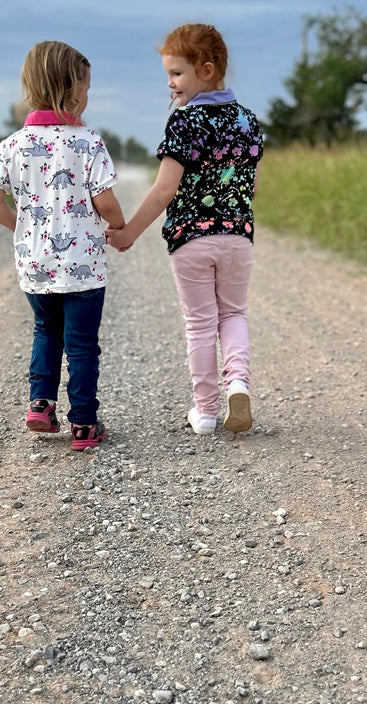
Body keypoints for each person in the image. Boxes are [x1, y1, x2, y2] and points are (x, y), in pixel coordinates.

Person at [106, 23, 263, 436]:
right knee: (233, 313)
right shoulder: (248, 120)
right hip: (237, 237)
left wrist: (128, 233)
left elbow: (164, 189)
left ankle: (206, 412)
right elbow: (252, 186)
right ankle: (238, 385)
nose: (170, 83)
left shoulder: (184, 122)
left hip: (191, 239)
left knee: (200, 323)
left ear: (206, 70)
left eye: (176, 73)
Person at [0, 41, 125, 451]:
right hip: (83, 269)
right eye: (87, 86)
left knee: (46, 330)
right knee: (82, 345)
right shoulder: (88, 142)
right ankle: (84, 425)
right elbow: (105, 202)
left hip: (36, 265)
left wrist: (22, 227)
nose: (88, 94)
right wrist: (118, 225)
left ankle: (41, 404)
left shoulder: (13, 145)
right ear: (72, 88)